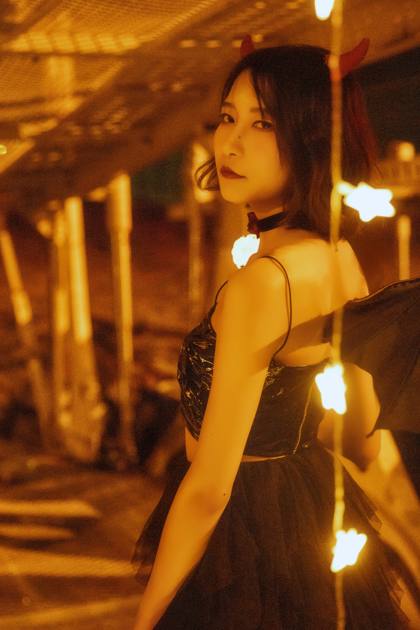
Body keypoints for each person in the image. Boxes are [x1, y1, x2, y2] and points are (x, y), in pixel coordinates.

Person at [131, 42, 413, 629]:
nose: (230, 143)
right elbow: (361, 437)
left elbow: (209, 489)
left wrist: (147, 619)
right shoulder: (339, 257)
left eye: (263, 123)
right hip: (306, 511)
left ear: (312, 139)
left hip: (242, 538)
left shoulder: (264, 284)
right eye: (227, 117)